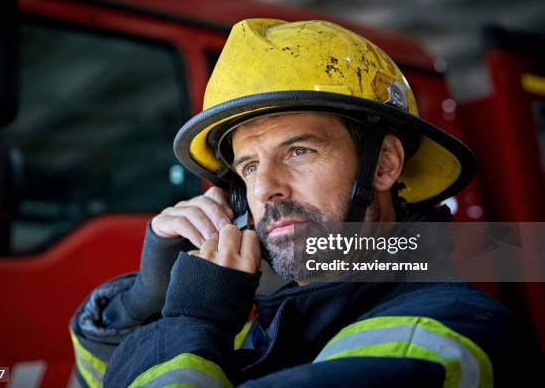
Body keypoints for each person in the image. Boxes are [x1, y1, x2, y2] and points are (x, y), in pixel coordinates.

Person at [69, 19, 541, 387]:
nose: (265, 191)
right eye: (248, 167)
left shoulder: (433, 337)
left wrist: (187, 321)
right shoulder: (254, 321)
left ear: (383, 166)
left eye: (299, 151)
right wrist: (140, 306)